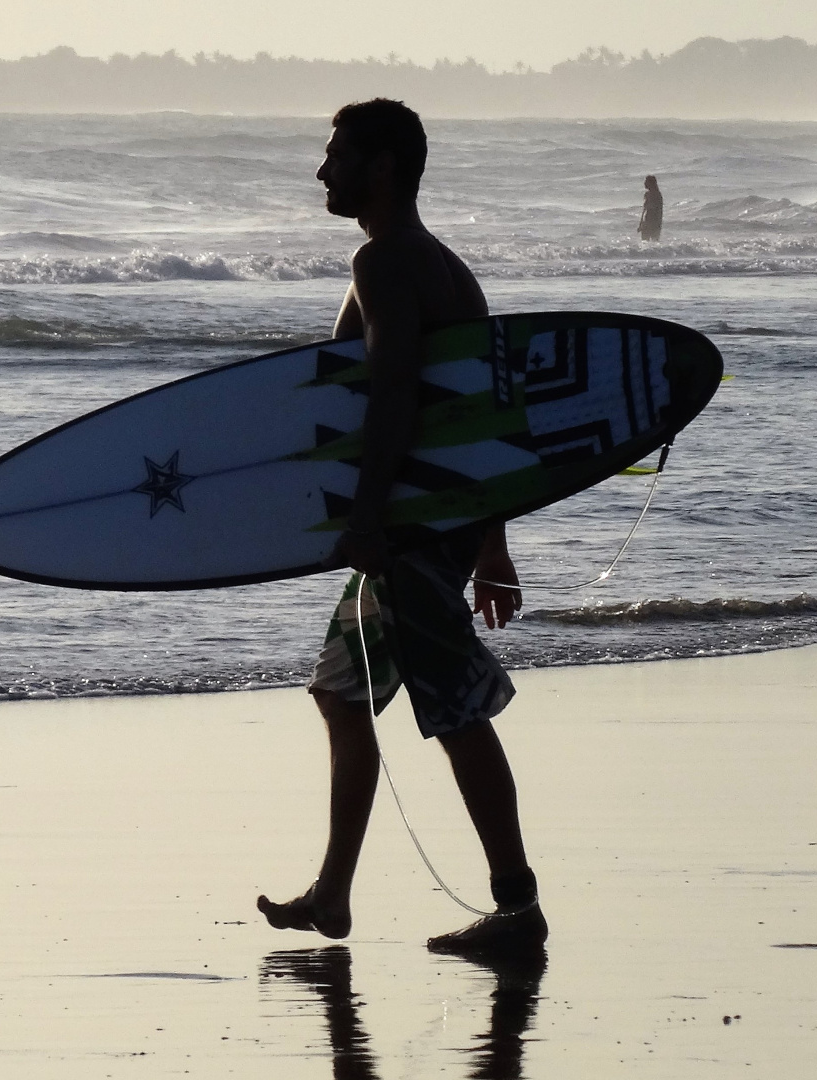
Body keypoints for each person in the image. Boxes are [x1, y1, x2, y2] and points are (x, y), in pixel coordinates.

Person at [256, 98, 547, 957]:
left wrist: (374, 521)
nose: (323, 170)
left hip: (413, 527)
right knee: (340, 693)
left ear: (380, 167)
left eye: (337, 153)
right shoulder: (441, 267)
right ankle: (334, 896)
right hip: (434, 521)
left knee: (456, 714)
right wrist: (493, 543)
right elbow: (481, 419)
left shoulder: (386, 264)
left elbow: (390, 401)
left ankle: (518, 908)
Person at [638, 174, 663, 241]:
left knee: (654, 241)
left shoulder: (657, 195)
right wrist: (641, 224)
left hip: (654, 222)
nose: (644, 183)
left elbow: (658, 209)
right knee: (644, 242)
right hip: (647, 221)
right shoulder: (647, 194)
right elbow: (644, 211)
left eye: (646, 182)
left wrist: (658, 224)